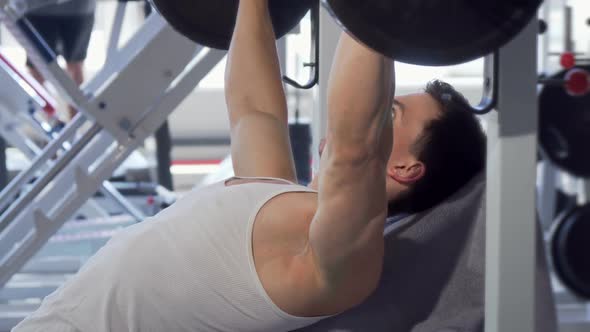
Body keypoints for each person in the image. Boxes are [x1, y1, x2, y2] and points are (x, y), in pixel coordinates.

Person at [12, 1, 485, 332]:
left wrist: (378, 18)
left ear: (405, 167)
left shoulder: (339, 263)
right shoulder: (274, 193)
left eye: (391, 113)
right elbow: (253, 110)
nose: (377, 112)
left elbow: (354, 148)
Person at [24, 0, 96, 120]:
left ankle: (74, 129)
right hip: (37, 10)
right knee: (37, 71)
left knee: (75, 69)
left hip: (78, 9)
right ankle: (53, 123)